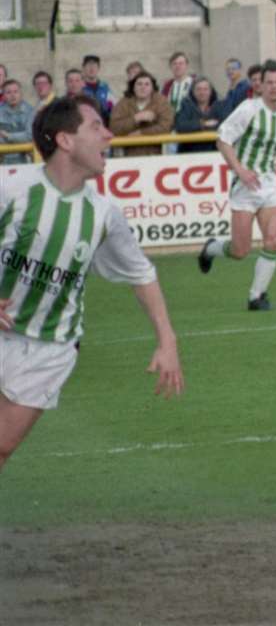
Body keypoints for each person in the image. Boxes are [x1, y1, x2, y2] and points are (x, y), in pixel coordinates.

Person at [0, 96, 184, 473]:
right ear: (65, 140)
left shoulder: (103, 215)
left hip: (49, 347)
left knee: (2, 445)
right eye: (96, 127)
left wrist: (168, 341)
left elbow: (142, 274)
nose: (110, 135)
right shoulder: (11, 189)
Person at [198, 62, 276, 310]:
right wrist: (240, 170)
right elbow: (223, 140)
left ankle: (256, 296)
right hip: (245, 187)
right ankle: (211, 248)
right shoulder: (249, 109)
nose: (274, 87)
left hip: (270, 185)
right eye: (270, 82)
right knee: (240, 250)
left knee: (272, 241)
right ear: (261, 86)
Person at [109, 71, 175, 157]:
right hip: (128, 156)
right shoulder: (123, 103)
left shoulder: (162, 102)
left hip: (156, 155)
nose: (143, 87)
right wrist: (135, 119)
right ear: (133, 87)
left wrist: (142, 133)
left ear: (152, 88)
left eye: (147, 84)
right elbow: (114, 127)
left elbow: (166, 126)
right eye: (139, 84)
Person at [174, 76, 226, 153]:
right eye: (198, 89)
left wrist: (193, 127)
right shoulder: (185, 106)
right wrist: (203, 124)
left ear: (211, 91)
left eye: (205, 89)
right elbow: (181, 126)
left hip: (214, 152)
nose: (202, 92)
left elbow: (223, 126)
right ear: (193, 91)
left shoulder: (220, 106)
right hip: (189, 152)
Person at [0, 80, 34, 145]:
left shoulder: (30, 112)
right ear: (3, 95)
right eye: (8, 92)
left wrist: (8, 136)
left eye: (16, 92)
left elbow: (30, 136)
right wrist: (20, 138)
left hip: (25, 153)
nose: (13, 95)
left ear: (21, 94)